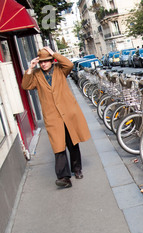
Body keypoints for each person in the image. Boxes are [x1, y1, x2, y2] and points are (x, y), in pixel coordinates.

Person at [22, 47, 91, 188]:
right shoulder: (36, 75)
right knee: (58, 147)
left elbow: (69, 64)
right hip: (52, 116)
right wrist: (30, 68)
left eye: (46, 61)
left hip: (68, 112)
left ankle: (77, 169)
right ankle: (64, 178)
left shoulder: (60, 69)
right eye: (41, 62)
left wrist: (54, 53)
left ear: (51, 61)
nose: (44, 64)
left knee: (72, 143)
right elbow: (25, 85)